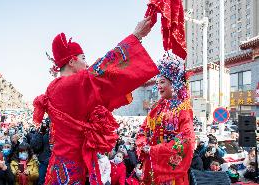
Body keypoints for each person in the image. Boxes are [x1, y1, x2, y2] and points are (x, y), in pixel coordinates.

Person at [33, 16, 159, 184]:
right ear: (71, 61)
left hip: (64, 164)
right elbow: (101, 71)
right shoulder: (68, 85)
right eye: (83, 58)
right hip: (72, 166)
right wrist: (136, 36)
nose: (87, 63)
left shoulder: (55, 87)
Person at [136, 49, 195, 184]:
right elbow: (142, 131)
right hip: (151, 169)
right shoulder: (156, 108)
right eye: (157, 83)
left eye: (162, 82)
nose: (159, 87)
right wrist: (143, 145)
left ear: (173, 83)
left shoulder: (183, 109)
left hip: (170, 175)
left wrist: (154, 150)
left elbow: (186, 140)